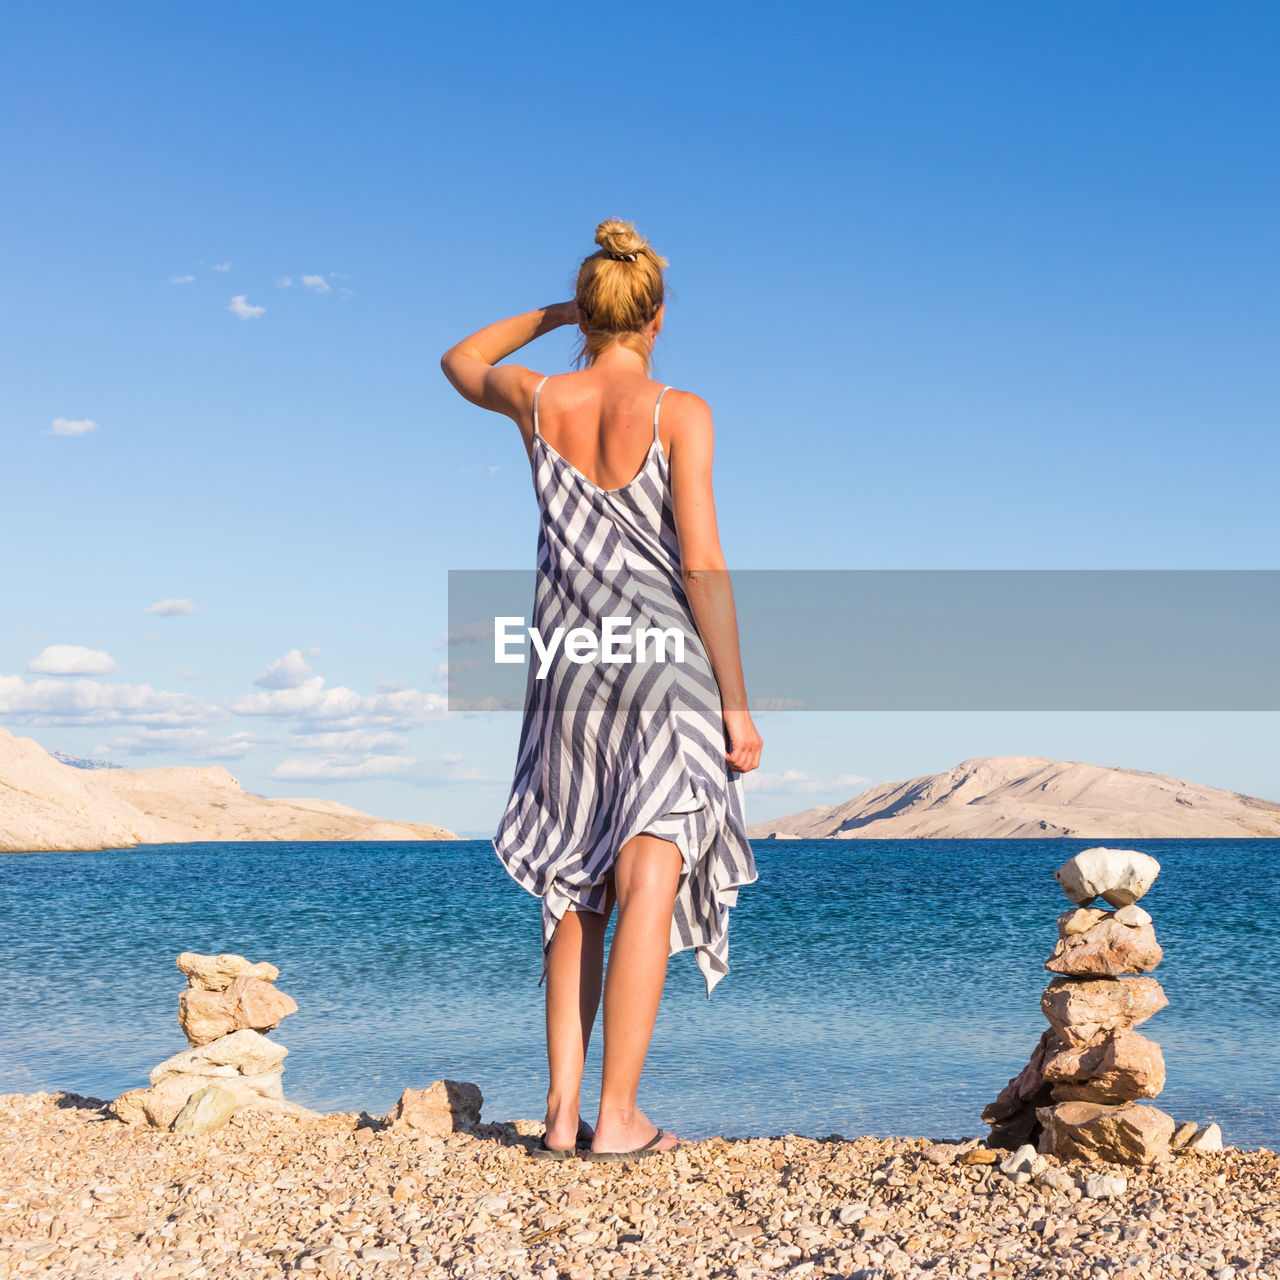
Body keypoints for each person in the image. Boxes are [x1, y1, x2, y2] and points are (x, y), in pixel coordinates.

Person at [441, 218, 761, 1163]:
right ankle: (620, 1117)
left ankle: (560, 1113)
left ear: (590, 314)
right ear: (657, 319)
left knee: (576, 882)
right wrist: (736, 702)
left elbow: (461, 357)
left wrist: (557, 313)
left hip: (569, 666)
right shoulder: (679, 410)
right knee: (649, 864)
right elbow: (701, 564)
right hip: (662, 663)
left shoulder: (541, 400)